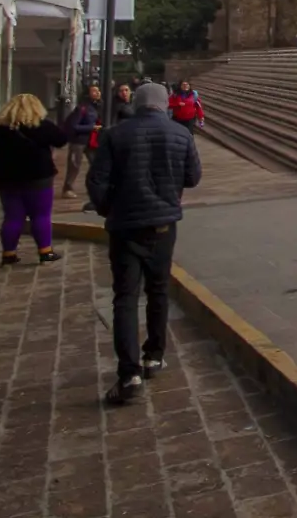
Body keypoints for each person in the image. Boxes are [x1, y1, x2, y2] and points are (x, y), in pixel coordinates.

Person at [89, 82, 202, 405]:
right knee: (159, 289)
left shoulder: (114, 134)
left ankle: (129, 372)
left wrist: (107, 208)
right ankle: (154, 354)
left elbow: (96, 181)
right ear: (164, 104)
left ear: (137, 104)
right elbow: (193, 177)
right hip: (164, 224)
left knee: (125, 297)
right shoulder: (181, 134)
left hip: (125, 226)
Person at [0, 93, 70, 266]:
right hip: (38, 177)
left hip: (6, 178)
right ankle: (45, 251)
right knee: (40, 215)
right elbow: (61, 140)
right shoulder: (43, 126)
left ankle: (9, 253)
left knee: (13, 217)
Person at [62, 85, 101, 201]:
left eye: (98, 91)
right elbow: (74, 126)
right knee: (75, 165)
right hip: (79, 141)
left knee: (95, 163)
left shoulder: (97, 107)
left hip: (91, 140)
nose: (97, 93)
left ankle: (94, 186)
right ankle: (67, 187)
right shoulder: (82, 108)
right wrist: (91, 127)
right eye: (94, 91)